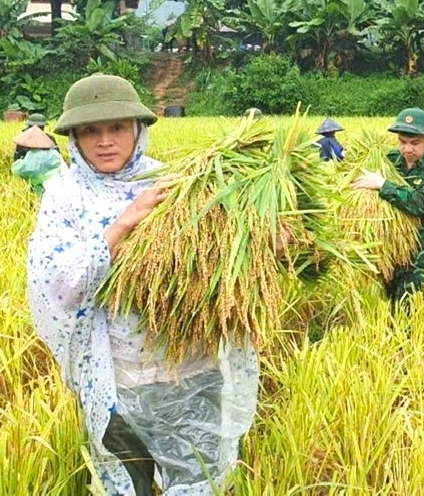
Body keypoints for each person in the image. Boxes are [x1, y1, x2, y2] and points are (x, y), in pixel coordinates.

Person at [26, 74, 259, 495]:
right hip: (116, 380)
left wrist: (264, 240)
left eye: (117, 127)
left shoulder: (174, 182)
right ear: (74, 139)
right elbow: (56, 284)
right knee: (128, 484)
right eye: (90, 131)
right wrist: (125, 222)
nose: (105, 141)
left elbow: (228, 258)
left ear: (138, 129)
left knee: (196, 480)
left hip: (191, 369)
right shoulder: (65, 194)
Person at [352, 107, 424, 309]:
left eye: (415, 143)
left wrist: (383, 185)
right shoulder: (389, 161)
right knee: (390, 307)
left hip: (422, 254)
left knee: (409, 311)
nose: (407, 149)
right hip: (390, 251)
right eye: (402, 142)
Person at [10, 125, 68, 196]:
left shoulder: (33, 154)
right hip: (63, 185)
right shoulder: (54, 153)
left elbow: (20, 170)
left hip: (46, 189)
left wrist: (17, 163)